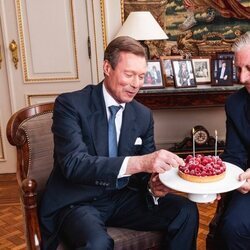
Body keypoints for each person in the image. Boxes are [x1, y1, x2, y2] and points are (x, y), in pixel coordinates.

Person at [39, 36, 199, 250]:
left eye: (142, 76)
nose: (136, 84)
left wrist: (154, 185)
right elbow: (73, 164)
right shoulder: (71, 105)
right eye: (129, 74)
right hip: (79, 201)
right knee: (97, 243)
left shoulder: (143, 115)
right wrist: (141, 163)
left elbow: (145, 174)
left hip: (122, 197)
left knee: (186, 211)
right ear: (107, 67)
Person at [215, 31, 250, 250]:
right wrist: (222, 181)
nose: (241, 78)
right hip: (246, 183)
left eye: (249, 69)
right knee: (232, 227)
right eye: (238, 68)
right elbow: (234, 155)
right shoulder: (235, 103)